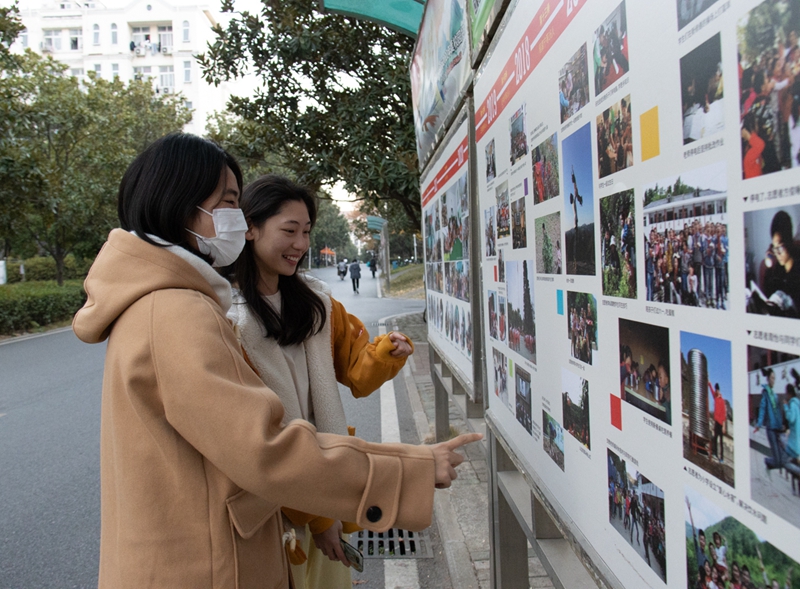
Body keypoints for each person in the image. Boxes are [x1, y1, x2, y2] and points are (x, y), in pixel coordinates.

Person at [71, 133, 481, 589]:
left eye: (306, 231)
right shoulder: (176, 313)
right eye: (227, 204)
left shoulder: (291, 304)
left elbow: (346, 376)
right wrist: (408, 471)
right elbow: (264, 448)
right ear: (181, 204)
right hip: (209, 564)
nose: (235, 218)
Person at [225, 175, 416, 589]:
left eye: (306, 231)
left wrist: (384, 352)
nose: (300, 245)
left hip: (324, 479)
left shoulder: (318, 303)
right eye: (289, 231)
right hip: (274, 504)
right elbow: (260, 437)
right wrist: (320, 517)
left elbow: (357, 373)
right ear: (250, 228)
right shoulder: (227, 321)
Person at [753, 368, 787, 471]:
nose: (773, 380)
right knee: (778, 460)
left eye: (774, 378)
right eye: (772, 378)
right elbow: (762, 409)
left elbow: (778, 412)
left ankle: (770, 463)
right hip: (771, 429)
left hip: (778, 428)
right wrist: (759, 424)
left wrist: (782, 424)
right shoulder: (765, 392)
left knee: (782, 460)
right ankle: (767, 461)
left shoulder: (775, 395)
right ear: (767, 379)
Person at [710, 383, 726, 464]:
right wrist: (709, 383)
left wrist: (723, 426)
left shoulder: (722, 401)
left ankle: (722, 458)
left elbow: (724, 413)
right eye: (716, 390)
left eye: (717, 390)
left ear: (719, 391)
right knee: (715, 439)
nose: (716, 391)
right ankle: (715, 454)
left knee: (721, 441)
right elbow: (712, 391)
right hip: (716, 422)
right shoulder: (715, 398)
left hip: (720, 423)